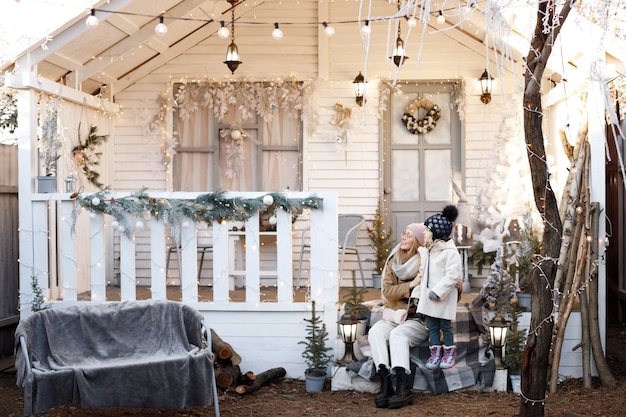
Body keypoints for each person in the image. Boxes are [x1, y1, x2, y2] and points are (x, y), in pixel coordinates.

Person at [367, 222, 427, 409]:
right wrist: (409, 286)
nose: (403, 237)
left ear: (417, 241)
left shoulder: (425, 261)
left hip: (417, 320)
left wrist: (407, 288)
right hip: (394, 316)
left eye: (409, 235)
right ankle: (385, 384)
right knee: (376, 331)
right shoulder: (394, 261)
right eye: (404, 233)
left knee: (398, 335)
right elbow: (387, 291)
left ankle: (403, 387)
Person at [417, 205, 462, 370]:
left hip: (442, 297)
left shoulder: (450, 253)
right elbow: (425, 271)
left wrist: (438, 291)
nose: (424, 233)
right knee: (432, 326)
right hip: (429, 297)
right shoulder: (429, 250)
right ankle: (435, 353)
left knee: (445, 327)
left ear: (436, 233)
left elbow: (452, 276)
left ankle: (449, 353)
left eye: (427, 231)